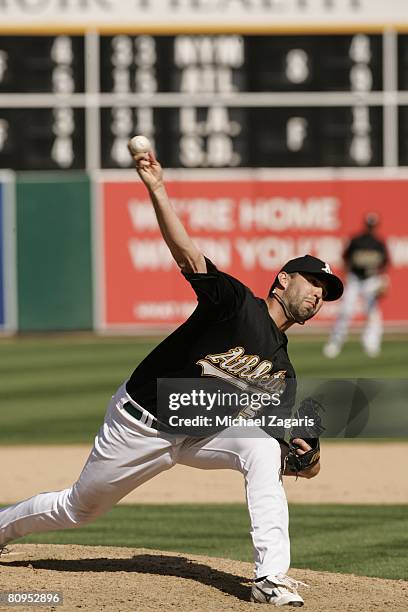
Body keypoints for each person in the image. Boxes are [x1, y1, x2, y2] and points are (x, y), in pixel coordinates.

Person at [0, 148, 343, 607]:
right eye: (313, 282)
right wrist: (157, 188)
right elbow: (188, 255)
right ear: (282, 280)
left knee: (262, 447)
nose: (319, 294)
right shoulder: (236, 304)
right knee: (77, 509)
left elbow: (296, 461)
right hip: (140, 424)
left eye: (326, 292)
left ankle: (271, 578)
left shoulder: (283, 373)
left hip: (199, 434)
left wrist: (305, 451)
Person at [323, 213, 389, 359]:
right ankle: (335, 342)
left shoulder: (379, 243)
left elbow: (385, 263)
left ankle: (371, 343)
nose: (371, 228)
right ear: (366, 225)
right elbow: (345, 258)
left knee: (372, 313)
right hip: (355, 278)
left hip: (371, 280)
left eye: (373, 225)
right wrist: (346, 275)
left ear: (375, 226)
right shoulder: (356, 240)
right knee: (346, 310)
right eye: (369, 225)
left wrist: (383, 280)